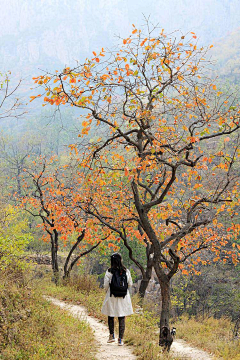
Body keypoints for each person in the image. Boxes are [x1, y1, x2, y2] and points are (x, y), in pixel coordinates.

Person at [101, 253, 133, 346]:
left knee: (111, 315)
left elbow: (106, 285)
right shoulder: (126, 271)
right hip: (123, 297)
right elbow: (130, 284)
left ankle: (111, 336)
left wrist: (108, 291)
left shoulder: (109, 271)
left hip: (112, 296)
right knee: (121, 317)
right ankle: (120, 339)